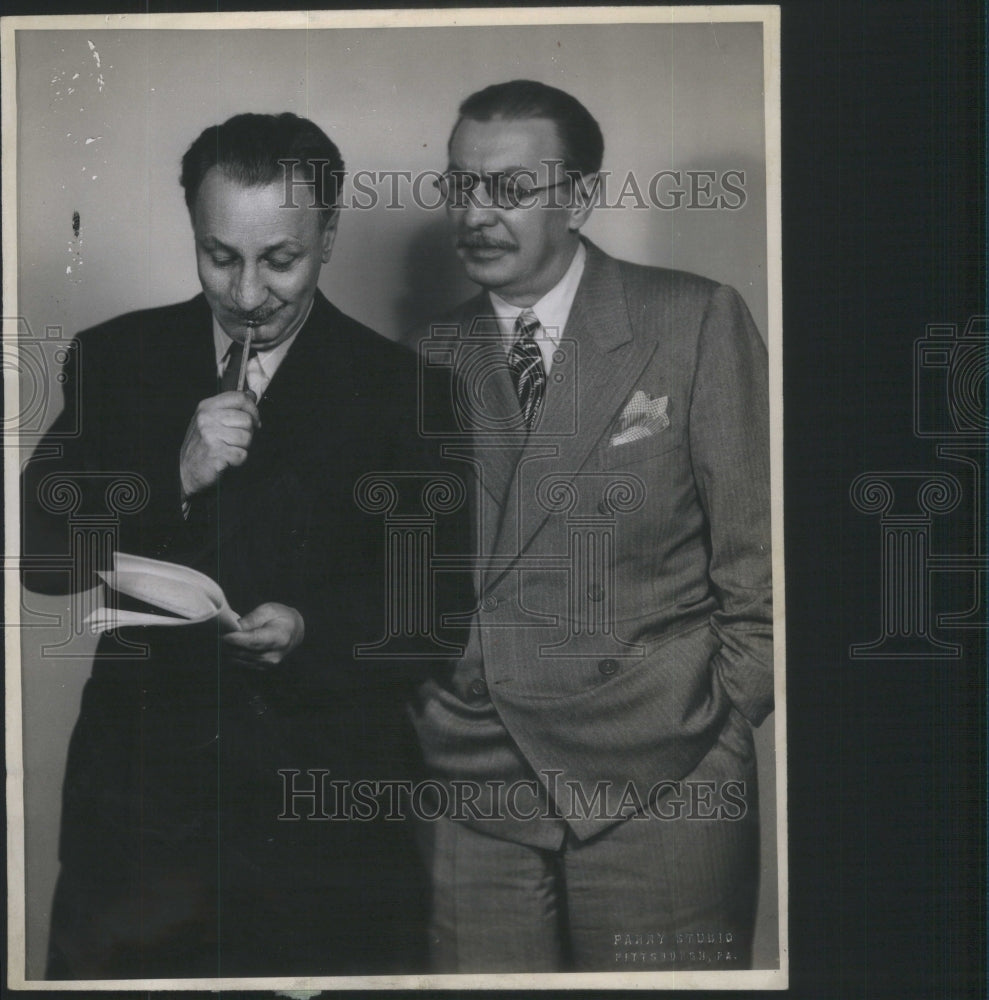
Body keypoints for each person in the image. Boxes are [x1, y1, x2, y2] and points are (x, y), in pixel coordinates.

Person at [22, 112, 430, 978]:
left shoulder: (402, 389)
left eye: (280, 259)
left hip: (324, 824)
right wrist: (174, 476)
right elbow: (43, 556)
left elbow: (436, 608)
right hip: (140, 822)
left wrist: (308, 628)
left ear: (331, 230)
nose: (247, 294)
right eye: (220, 256)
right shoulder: (115, 357)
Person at [410, 80, 773, 972]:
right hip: (475, 776)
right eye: (461, 187)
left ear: (579, 197)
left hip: (664, 770)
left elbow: (763, 559)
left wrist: (721, 713)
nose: (477, 215)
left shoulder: (691, 319)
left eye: (510, 190)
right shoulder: (424, 355)